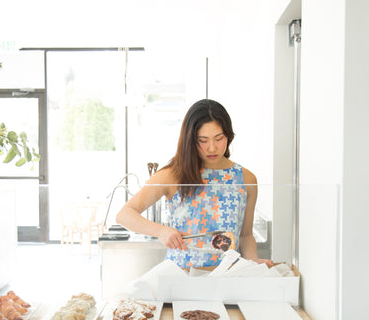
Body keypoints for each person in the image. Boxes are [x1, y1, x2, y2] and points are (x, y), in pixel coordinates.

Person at [116, 99, 273, 269]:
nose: (212, 148)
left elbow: (245, 235)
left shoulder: (246, 179)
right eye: (203, 141)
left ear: (229, 135)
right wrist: (161, 231)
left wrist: (253, 263)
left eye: (219, 138)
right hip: (181, 277)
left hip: (226, 278)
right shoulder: (173, 175)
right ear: (190, 140)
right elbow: (125, 214)